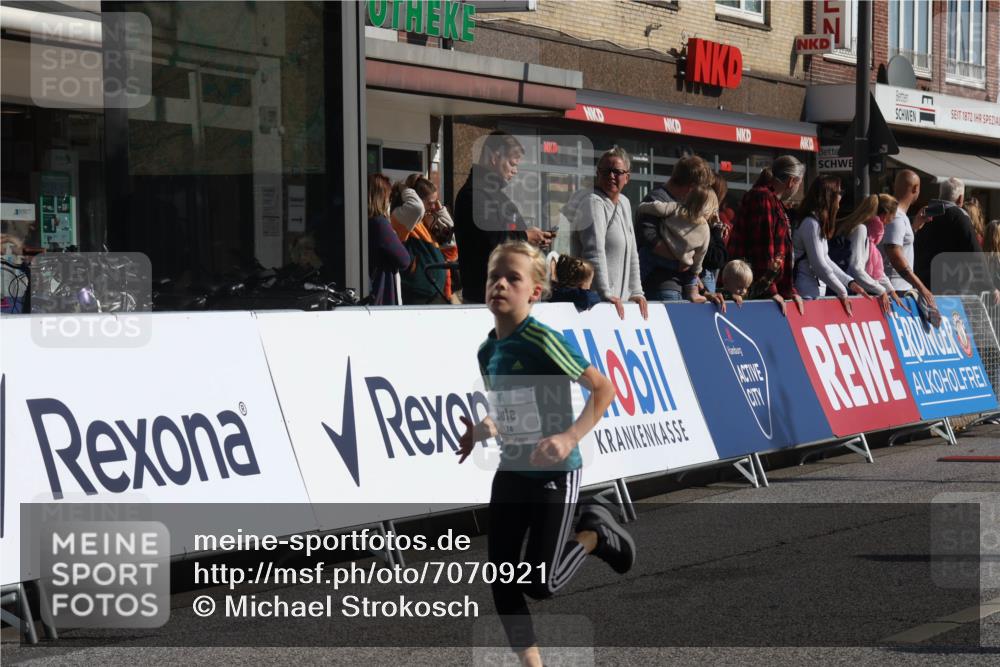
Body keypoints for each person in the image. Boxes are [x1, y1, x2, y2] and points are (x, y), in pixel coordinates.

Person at [456, 240, 629, 667]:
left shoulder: (543, 340)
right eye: (494, 276)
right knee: (502, 579)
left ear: (535, 291)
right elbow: (507, 411)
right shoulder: (488, 350)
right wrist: (481, 431)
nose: (499, 284)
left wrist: (569, 438)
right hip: (513, 470)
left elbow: (604, 389)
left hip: (556, 471)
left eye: (512, 278)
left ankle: (595, 533)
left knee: (541, 582)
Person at [453, 131, 555, 303]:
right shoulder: (474, 194)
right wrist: (526, 236)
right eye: (512, 164)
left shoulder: (493, 194)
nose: (515, 171)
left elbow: (507, 231)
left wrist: (532, 238)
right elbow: (492, 240)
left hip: (504, 293)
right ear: (495, 157)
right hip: (486, 297)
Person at [571, 147, 648, 319]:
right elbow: (593, 252)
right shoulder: (593, 202)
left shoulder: (625, 203)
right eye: (605, 171)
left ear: (627, 177)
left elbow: (633, 252)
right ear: (597, 174)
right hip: (595, 304)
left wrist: (636, 291)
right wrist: (604, 293)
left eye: (617, 172)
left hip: (617, 302)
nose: (611, 176)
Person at [727, 155, 806, 316]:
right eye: (799, 183)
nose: (797, 188)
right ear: (791, 181)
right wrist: (771, 291)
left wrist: (789, 291)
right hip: (753, 290)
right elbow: (763, 246)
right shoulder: (764, 198)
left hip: (761, 287)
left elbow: (779, 251)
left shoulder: (773, 201)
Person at [636, 154, 715, 301]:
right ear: (691, 188)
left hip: (678, 286)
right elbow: (650, 239)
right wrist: (681, 261)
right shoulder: (657, 199)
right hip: (661, 286)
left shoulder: (681, 205)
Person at [791, 175, 866, 314]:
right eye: (839, 193)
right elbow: (819, 265)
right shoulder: (811, 223)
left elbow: (826, 260)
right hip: (805, 293)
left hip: (812, 292)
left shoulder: (816, 222)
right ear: (828, 196)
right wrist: (843, 292)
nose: (841, 198)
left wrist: (849, 282)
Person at [914, 177, 998, 301]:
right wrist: (990, 287)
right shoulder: (959, 216)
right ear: (960, 198)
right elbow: (974, 254)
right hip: (951, 289)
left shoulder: (925, 213)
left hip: (922, 285)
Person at [880, 169, 940, 325]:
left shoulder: (900, 216)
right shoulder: (897, 218)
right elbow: (894, 254)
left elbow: (898, 244)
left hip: (897, 289)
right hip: (895, 290)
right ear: (915, 189)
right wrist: (921, 287)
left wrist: (915, 226)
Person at [832, 194, 907, 315]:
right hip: (846, 292)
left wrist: (890, 290)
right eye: (891, 218)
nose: (889, 224)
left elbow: (876, 270)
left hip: (850, 292)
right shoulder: (861, 230)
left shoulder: (869, 236)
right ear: (885, 215)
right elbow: (856, 268)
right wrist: (881, 290)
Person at [401, 173, 460, 304]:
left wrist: (441, 212)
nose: (433, 207)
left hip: (438, 290)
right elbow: (416, 208)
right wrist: (405, 189)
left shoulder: (429, 221)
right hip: (419, 291)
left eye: (436, 202)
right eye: (430, 203)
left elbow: (451, 251)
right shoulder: (409, 220)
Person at [366, 174, 410, 305]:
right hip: (382, 296)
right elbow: (404, 260)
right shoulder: (380, 223)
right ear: (382, 197)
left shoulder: (363, 222)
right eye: (389, 197)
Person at [702, 174, 733, 293]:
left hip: (707, 273)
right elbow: (717, 258)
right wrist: (717, 231)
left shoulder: (714, 217)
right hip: (705, 273)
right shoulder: (709, 220)